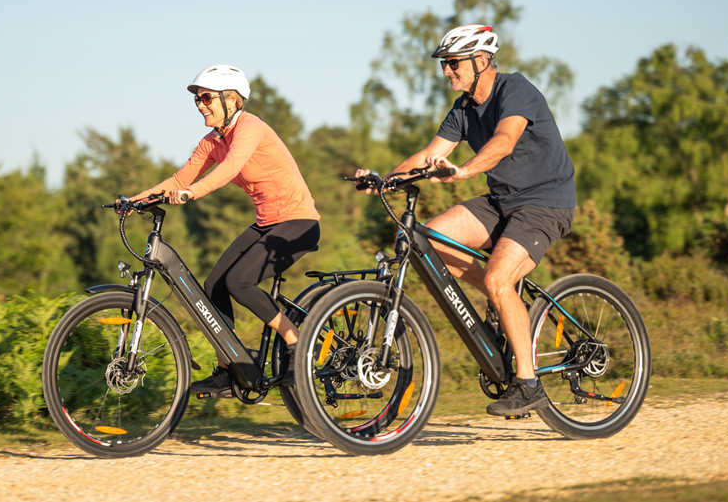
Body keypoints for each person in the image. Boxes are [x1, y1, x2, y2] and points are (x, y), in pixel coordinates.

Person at [357, 24, 576, 416]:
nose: (446, 72)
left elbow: (504, 141)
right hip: (503, 200)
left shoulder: (515, 89)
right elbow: (429, 155)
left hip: (545, 202)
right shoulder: (462, 109)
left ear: (481, 60)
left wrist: (463, 171)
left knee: (497, 278)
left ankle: (529, 384)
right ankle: (501, 297)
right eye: (444, 64)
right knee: (431, 241)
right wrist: (385, 181)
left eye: (453, 63)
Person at [127, 64, 320, 395]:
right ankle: (230, 368)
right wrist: (133, 201)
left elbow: (230, 169)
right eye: (198, 101)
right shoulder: (213, 140)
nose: (201, 106)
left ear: (233, 100)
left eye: (206, 98)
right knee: (214, 284)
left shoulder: (250, 128)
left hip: (298, 222)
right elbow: (178, 179)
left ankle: (296, 343)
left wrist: (192, 194)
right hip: (267, 223)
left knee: (239, 282)